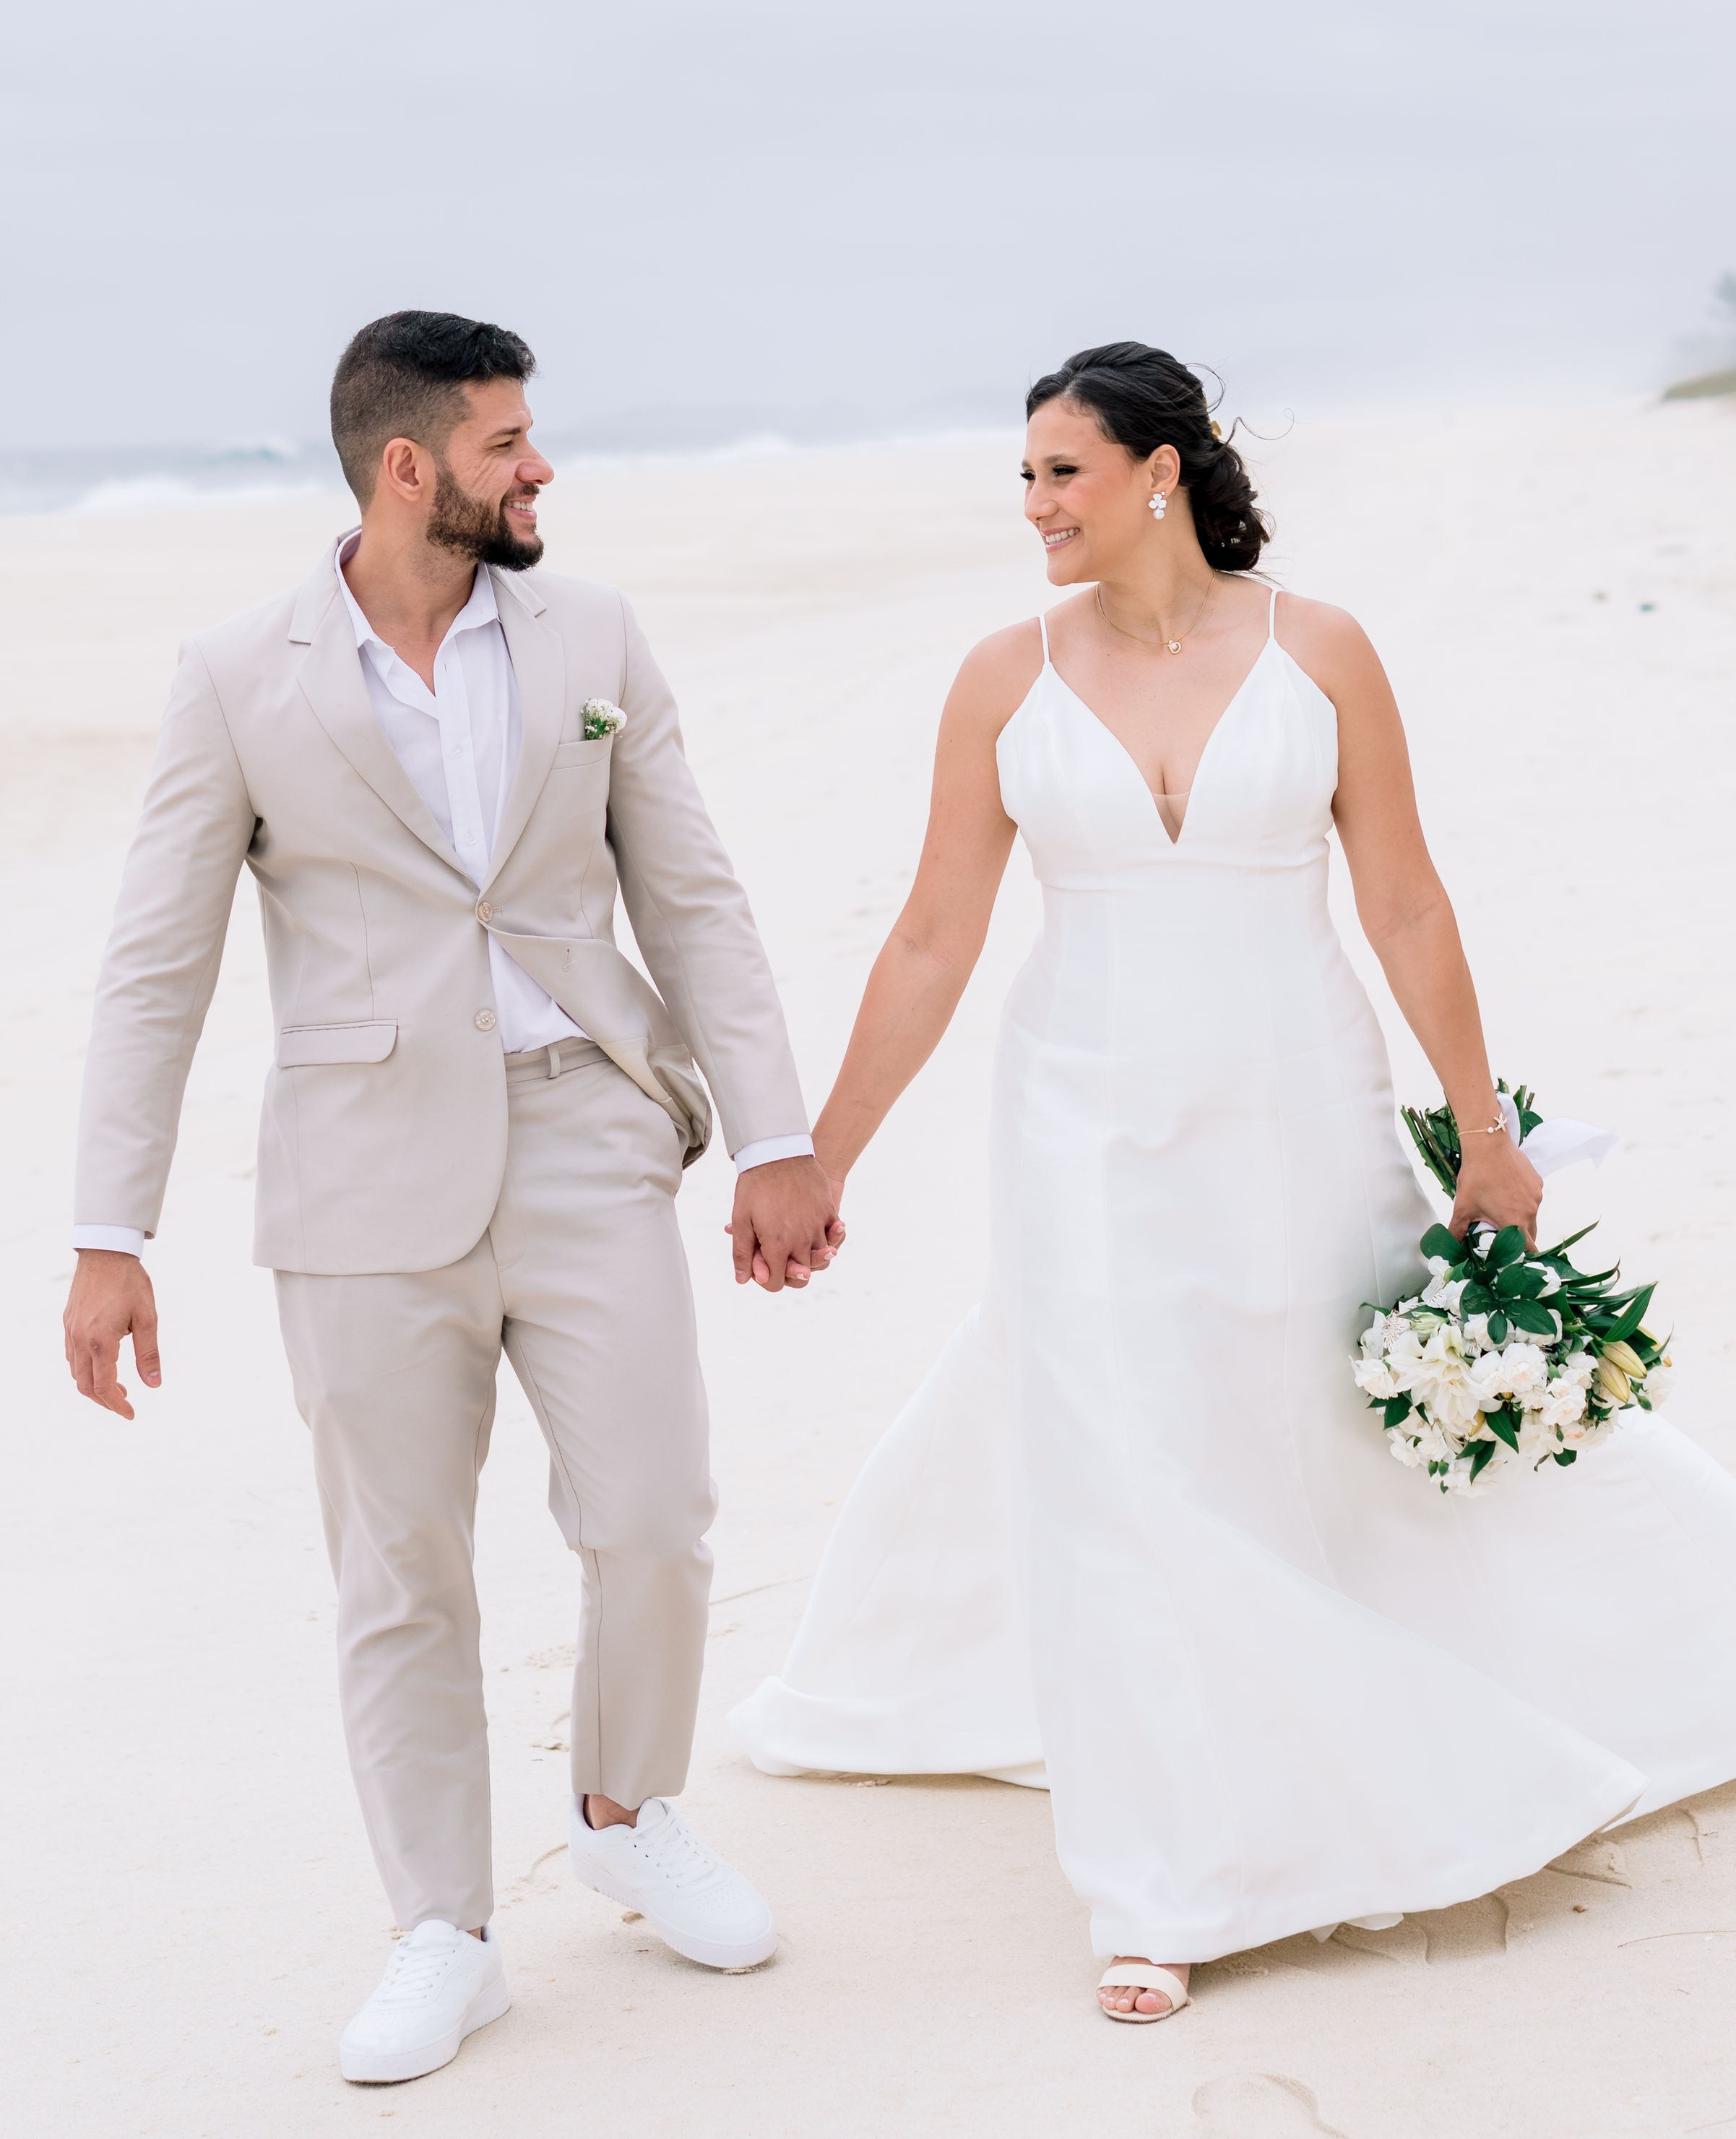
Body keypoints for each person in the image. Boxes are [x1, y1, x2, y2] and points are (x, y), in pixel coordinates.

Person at [733, 339, 1736, 2023]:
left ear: (1159, 471)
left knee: (1307, 1431)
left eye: (1062, 472)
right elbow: (929, 936)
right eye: (1025, 479)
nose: (1035, 505)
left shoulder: (1319, 649)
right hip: (1080, 1120)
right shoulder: (1000, 677)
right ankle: (1163, 1881)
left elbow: (1405, 903)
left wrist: (1480, 1131)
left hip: (1296, 1103)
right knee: (1124, 1474)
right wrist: (821, 1154)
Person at [64, 311, 839, 2086]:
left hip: (583, 1128)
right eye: (505, 443)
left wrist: (777, 1129)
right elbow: (152, 970)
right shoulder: (237, 671)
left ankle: (628, 1812)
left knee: (652, 1510)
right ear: (407, 468)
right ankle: (444, 1927)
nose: (538, 466)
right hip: (352, 1181)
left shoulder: (592, 633)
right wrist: (113, 1237)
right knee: (399, 1569)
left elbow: (693, 896)